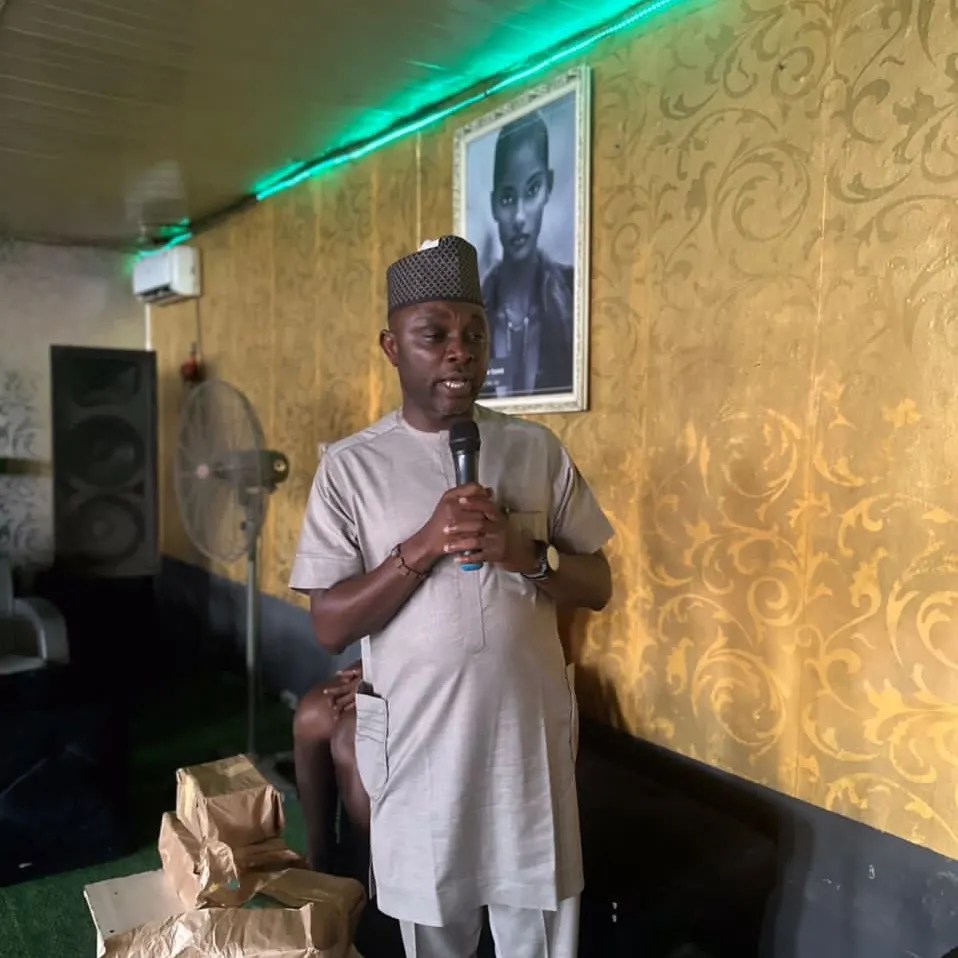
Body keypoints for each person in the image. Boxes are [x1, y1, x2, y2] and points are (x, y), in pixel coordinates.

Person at [290, 234, 613, 957]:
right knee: (436, 938)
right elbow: (329, 625)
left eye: (474, 334)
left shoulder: (536, 450)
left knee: (539, 938)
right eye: (433, 335)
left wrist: (528, 556)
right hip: (420, 753)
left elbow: (599, 583)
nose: (460, 352)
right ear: (391, 347)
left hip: (526, 749)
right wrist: (424, 546)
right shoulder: (350, 468)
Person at [480, 111, 575, 400]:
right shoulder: (474, 314)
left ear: (548, 186)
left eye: (532, 190)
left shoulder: (573, 294)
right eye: (508, 198)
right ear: (494, 204)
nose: (519, 217)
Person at [292, 662, 369, 871]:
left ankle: (364, 873)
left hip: (435, 671)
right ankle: (319, 860)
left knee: (350, 739)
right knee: (311, 716)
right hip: (394, 656)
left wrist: (384, 672)